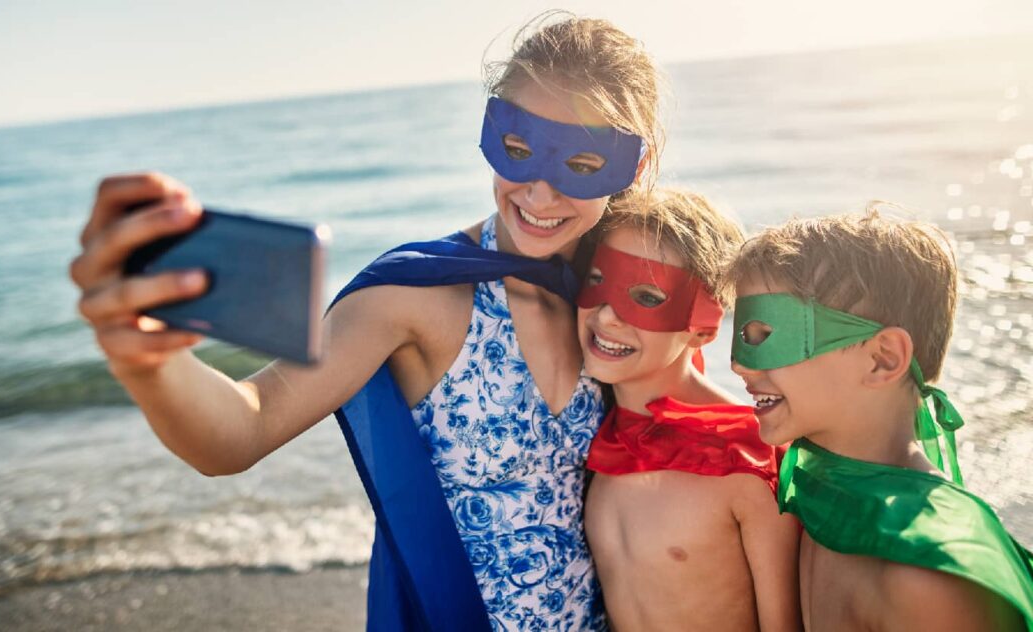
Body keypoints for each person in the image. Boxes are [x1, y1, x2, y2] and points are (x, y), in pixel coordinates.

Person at [69, 13, 664, 630]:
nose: (538, 196)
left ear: (635, 168)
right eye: (517, 152)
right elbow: (240, 432)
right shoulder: (416, 298)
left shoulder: (621, 304)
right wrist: (149, 358)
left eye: (581, 166)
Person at [728, 208, 1033, 631]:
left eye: (767, 337)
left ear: (882, 359)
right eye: (743, 336)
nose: (738, 366)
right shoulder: (814, 489)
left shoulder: (929, 572)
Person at [577, 189, 801, 631]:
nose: (606, 317)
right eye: (596, 279)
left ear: (703, 326)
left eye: (645, 297)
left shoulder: (747, 460)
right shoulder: (599, 438)